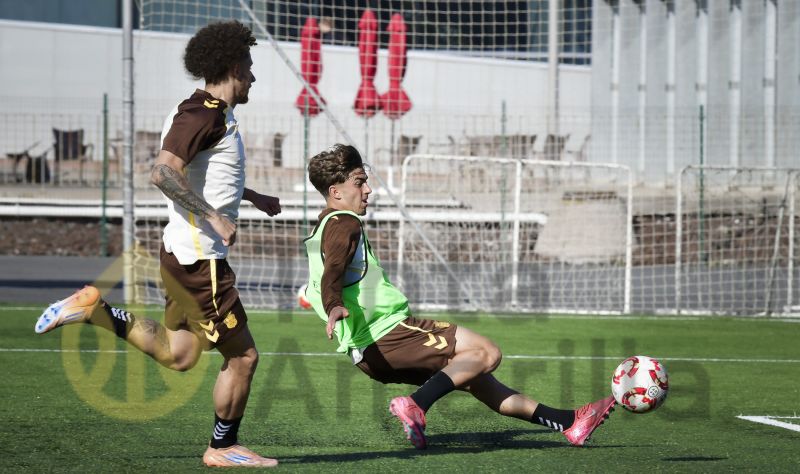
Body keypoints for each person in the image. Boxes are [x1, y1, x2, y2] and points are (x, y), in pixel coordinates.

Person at [34, 21, 280, 468]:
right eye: (248, 65)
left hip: (180, 253)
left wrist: (250, 195)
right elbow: (163, 173)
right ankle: (223, 447)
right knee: (244, 357)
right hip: (200, 259)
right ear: (229, 65)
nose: (253, 75)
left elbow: (207, 174)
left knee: (182, 354)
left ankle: (96, 310)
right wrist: (214, 218)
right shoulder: (203, 113)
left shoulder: (199, 110)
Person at [302, 144, 616, 449]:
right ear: (336, 192)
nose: (368, 190)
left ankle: (570, 422)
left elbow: (328, 271)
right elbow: (335, 269)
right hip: (388, 334)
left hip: (369, 353)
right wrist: (334, 305)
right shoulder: (344, 223)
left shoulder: (322, 228)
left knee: (476, 376)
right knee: (487, 352)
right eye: (360, 182)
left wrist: (330, 303)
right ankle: (415, 405)